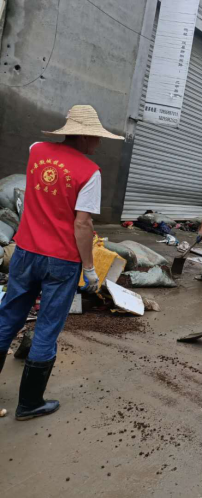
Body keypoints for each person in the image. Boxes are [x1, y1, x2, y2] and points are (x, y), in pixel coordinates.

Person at [0, 104, 124, 420]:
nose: (98, 143)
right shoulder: (90, 173)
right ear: (83, 136)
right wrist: (89, 268)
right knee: (47, 327)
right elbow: (82, 225)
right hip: (61, 261)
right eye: (96, 137)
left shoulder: (36, 150)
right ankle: (29, 404)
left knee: (8, 316)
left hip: (25, 251)